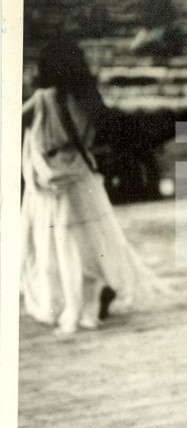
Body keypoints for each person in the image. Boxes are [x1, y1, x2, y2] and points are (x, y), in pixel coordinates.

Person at [20, 37, 163, 335]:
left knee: (60, 247)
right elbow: (106, 132)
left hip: (53, 179)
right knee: (89, 243)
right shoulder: (88, 97)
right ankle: (96, 288)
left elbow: (16, 120)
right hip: (82, 179)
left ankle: (78, 298)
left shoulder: (44, 99)